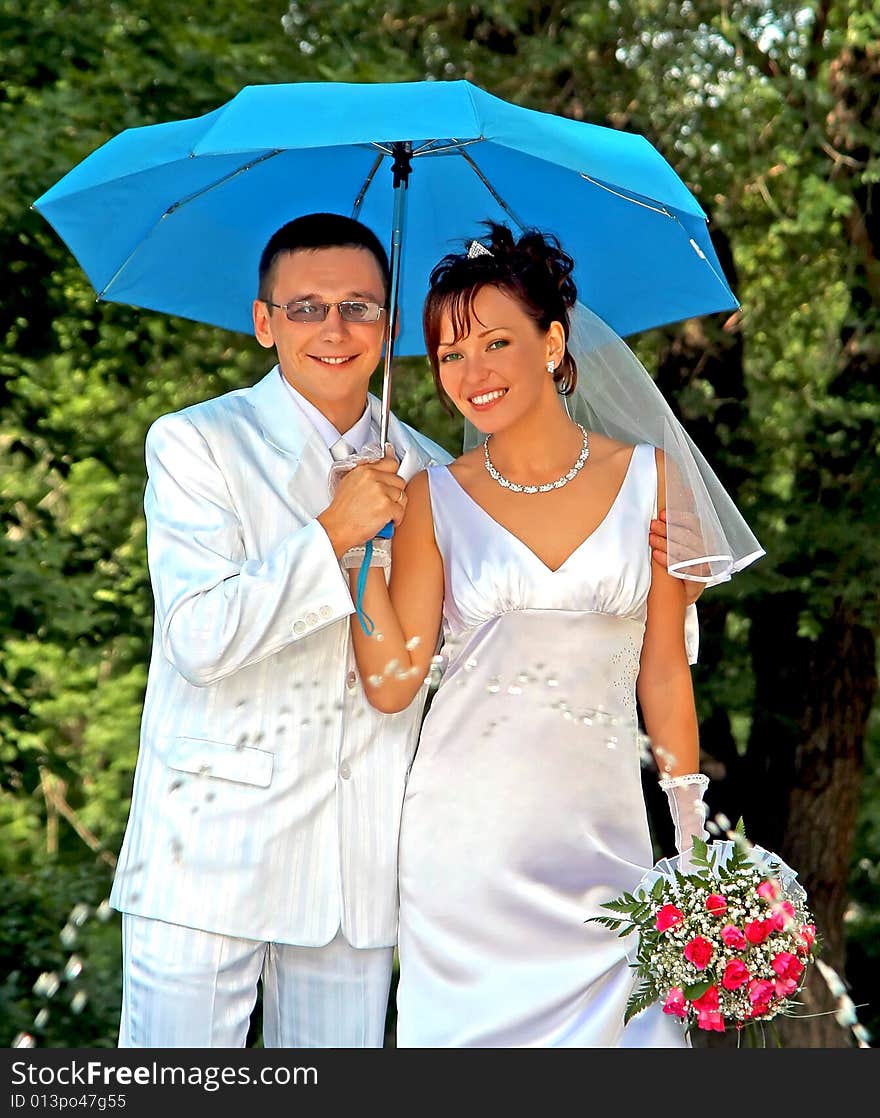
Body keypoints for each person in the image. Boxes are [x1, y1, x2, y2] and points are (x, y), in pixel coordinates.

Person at [108, 210, 690, 1049]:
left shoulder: (431, 472)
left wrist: (659, 571)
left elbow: (489, 652)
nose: (335, 329)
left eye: (360, 307)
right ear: (264, 321)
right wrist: (333, 533)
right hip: (210, 861)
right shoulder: (198, 443)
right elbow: (199, 639)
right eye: (306, 308)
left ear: (386, 326)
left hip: (364, 874)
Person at [346, 223, 762, 1047]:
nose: (474, 374)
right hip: (463, 850)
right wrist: (361, 557)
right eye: (450, 355)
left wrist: (687, 840)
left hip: (603, 845)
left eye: (497, 341)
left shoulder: (651, 478)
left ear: (553, 341)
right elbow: (394, 680)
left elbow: (664, 677)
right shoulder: (434, 497)